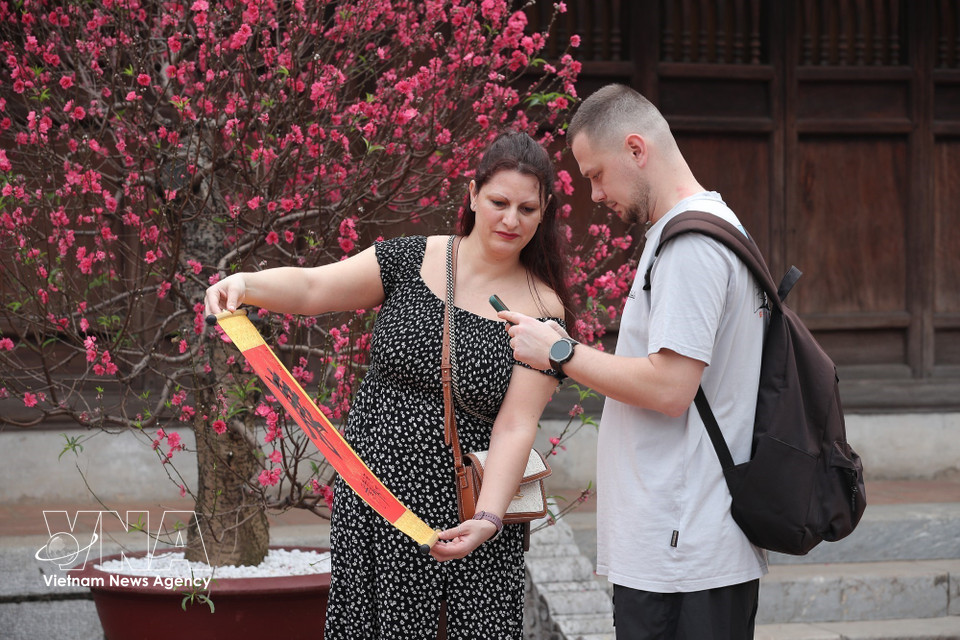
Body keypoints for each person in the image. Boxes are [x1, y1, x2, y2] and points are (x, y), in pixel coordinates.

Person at [204, 131, 573, 639]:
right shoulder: (410, 259)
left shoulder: (543, 310)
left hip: (472, 508)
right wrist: (246, 284)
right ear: (472, 195)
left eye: (527, 209)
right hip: (377, 494)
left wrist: (488, 518)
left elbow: (516, 424)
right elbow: (314, 288)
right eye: (499, 202)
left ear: (544, 210)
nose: (511, 220)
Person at [501, 84, 768, 639]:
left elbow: (670, 388)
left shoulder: (692, 246)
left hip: (684, 549)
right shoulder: (693, 229)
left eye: (596, 173)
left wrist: (559, 351)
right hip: (679, 546)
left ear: (636, 150)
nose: (593, 194)